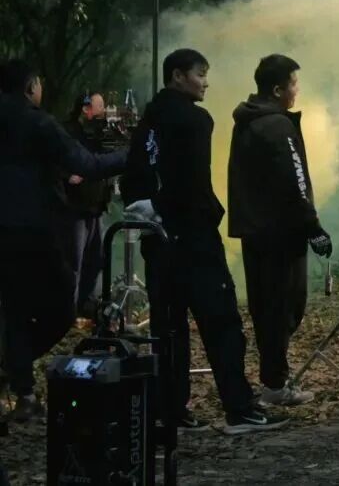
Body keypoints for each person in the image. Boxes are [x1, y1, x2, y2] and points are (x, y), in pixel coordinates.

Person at [124, 49, 287, 435]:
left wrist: (148, 207)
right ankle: (239, 409)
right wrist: (179, 207)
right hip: (193, 238)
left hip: (156, 238)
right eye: (200, 74)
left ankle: (171, 411)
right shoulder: (196, 120)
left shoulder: (148, 119)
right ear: (178, 76)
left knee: (169, 328)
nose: (206, 82)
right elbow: (193, 181)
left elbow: (135, 172)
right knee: (222, 323)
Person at [0, 60, 126, 422]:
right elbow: (87, 164)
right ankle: (12, 370)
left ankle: (24, 393)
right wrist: (132, 156)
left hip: (7, 229)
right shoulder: (37, 123)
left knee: (15, 308)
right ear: (30, 86)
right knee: (61, 309)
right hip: (33, 228)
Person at [228, 54, 332, 407]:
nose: (296, 90)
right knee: (285, 307)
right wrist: (313, 227)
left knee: (266, 308)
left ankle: (273, 379)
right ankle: (274, 383)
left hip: (255, 231)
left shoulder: (246, 121)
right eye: (293, 84)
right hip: (281, 234)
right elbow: (295, 180)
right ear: (277, 89)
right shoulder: (277, 125)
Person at [63, 92, 112, 318]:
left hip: (95, 206)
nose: (104, 112)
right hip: (75, 207)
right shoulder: (69, 132)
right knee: (74, 262)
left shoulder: (100, 134)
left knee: (96, 259)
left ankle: (86, 305)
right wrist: (67, 175)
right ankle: (68, 311)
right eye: (100, 107)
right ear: (85, 109)